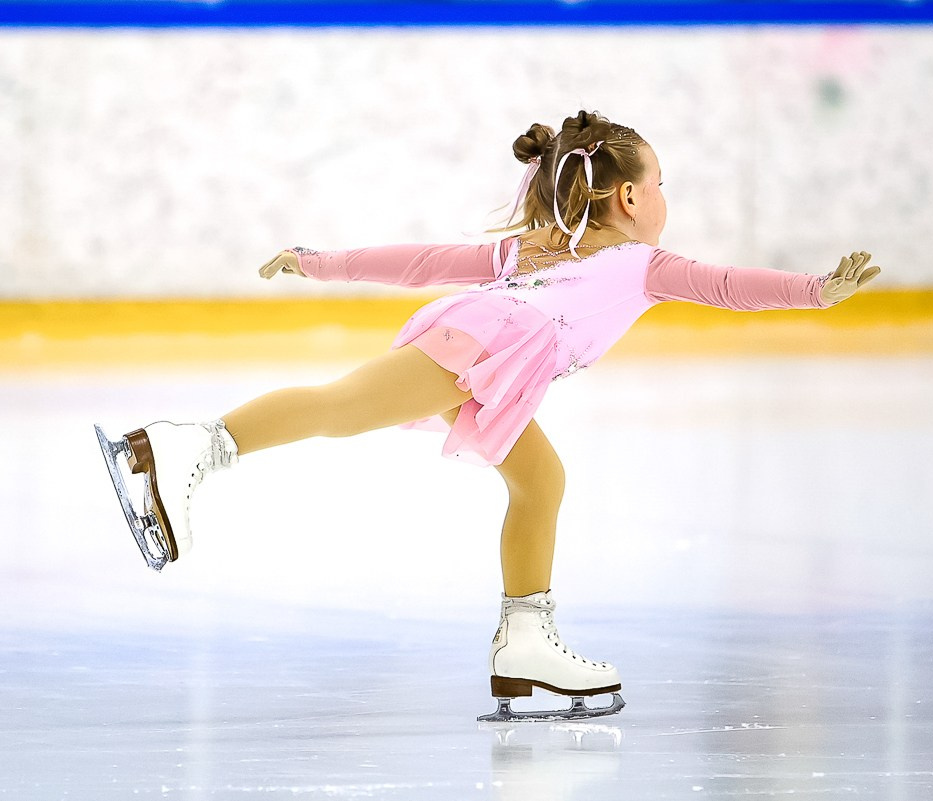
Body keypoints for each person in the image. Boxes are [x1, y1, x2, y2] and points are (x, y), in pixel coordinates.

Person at [94, 110, 881, 722]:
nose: (667, 197)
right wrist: (815, 290)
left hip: (496, 355)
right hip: (487, 345)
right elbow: (728, 283)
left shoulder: (537, 248)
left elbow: (423, 262)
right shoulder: (641, 264)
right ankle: (181, 447)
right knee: (342, 407)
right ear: (631, 196)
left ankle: (526, 639)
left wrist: (321, 260)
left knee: (541, 481)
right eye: (663, 182)